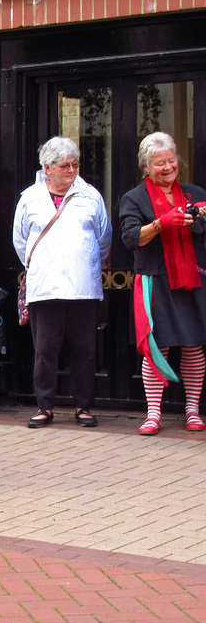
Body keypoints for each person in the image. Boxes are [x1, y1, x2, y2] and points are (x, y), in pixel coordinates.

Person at [13, 137, 111, 429]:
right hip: (45, 287)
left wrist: (87, 261)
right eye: (65, 166)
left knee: (84, 349)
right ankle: (45, 406)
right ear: (47, 168)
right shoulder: (29, 198)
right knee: (45, 350)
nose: (72, 170)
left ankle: (83, 406)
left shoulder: (90, 195)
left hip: (83, 288)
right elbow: (20, 241)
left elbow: (103, 239)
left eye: (75, 164)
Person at [119, 131, 206, 435]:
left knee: (195, 345)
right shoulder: (134, 198)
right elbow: (131, 238)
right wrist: (160, 224)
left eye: (171, 161)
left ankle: (192, 411)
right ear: (146, 167)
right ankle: (152, 414)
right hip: (156, 280)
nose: (168, 167)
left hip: (192, 279)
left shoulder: (195, 192)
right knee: (159, 347)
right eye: (160, 164)